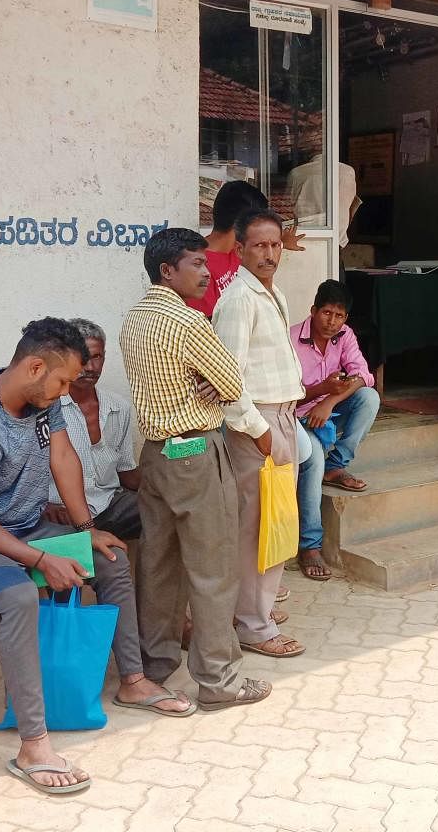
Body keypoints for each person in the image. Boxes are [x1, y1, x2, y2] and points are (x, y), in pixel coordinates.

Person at [0, 318, 188, 798]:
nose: (69, 390)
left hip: (25, 527)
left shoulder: (44, 402)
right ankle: (33, 745)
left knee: (108, 559)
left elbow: (63, 459)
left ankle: (133, 680)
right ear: (35, 366)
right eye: (63, 380)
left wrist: (87, 531)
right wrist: (42, 560)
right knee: (21, 597)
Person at [120, 227, 272, 711]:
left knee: (159, 566)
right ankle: (219, 682)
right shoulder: (187, 322)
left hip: (156, 455)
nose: (207, 273)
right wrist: (211, 382)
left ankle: (154, 667)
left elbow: (219, 381)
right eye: (197, 264)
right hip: (195, 455)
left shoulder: (135, 319)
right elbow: (230, 380)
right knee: (213, 569)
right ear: (168, 271)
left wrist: (211, 381)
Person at [213, 208, 306, 659]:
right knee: (259, 527)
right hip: (258, 425)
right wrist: (260, 431)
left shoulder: (274, 295)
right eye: (259, 246)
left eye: (274, 245)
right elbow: (228, 382)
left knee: (275, 522)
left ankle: (256, 611)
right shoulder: (237, 301)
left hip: (282, 417)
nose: (269, 254)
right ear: (241, 249)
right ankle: (253, 624)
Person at [290, 280, 380, 581]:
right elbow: (285, 396)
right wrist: (320, 391)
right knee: (312, 457)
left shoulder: (345, 335)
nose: (332, 322)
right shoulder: (291, 339)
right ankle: (310, 546)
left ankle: (337, 465)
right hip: (295, 417)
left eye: (339, 316)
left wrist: (329, 400)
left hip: (324, 412)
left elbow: (363, 375)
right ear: (313, 311)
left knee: (369, 398)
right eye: (327, 313)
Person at [43, 319, 140, 540]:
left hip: (109, 505)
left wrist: (168, 478)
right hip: (61, 513)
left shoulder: (118, 407)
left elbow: (127, 473)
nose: (90, 367)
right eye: (83, 357)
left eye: (97, 357)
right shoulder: (46, 408)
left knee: (163, 512)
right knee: (105, 560)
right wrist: (43, 504)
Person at [187, 180, 305, 318]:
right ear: (242, 224)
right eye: (258, 224)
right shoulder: (199, 266)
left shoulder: (238, 250)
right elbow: (207, 325)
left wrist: (281, 242)